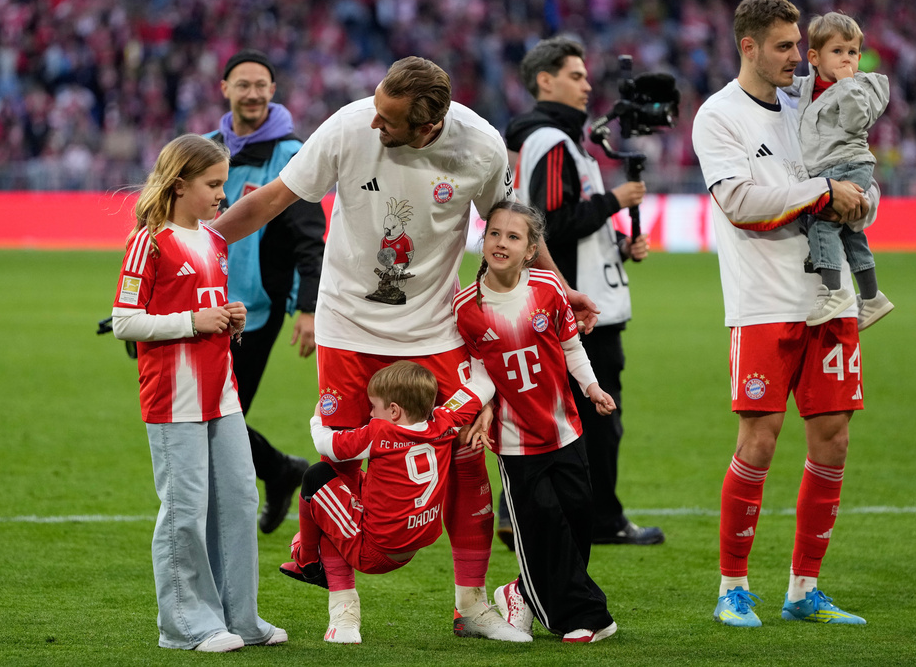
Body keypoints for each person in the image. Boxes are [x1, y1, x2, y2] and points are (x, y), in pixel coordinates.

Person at [211, 56, 597, 641]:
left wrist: (561, 288)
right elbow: (270, 200)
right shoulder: (349, 125)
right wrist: (198, 243)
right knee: (342, 461)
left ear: (428, 126)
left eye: (389, 120)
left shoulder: (482, 147)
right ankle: (343, 610)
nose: (375, 123)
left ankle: (470, 606)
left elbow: (513, 226)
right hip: (347, 328)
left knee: (466, 456)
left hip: (433, 331)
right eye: (376, 108)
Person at [691, 0, 879, 628]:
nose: (798, 58)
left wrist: (860, 198)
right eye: (784, 47)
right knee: (760, 441)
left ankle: (804, 588)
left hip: (830, 302)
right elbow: (741, 201)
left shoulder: (810, 105)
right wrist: (823, 191)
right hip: (765, 302)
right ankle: (732, 587)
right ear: (749, 47)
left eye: (799, 45)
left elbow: (852, 164)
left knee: (834, 439)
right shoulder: (719, 117)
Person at [111, 134, 286, 652]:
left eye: (223, 182)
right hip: (173, 396)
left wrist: (230, 319)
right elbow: (125, 321)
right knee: (184, 510)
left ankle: (241, 619)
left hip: (221, 392)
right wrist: (192, 320)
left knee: (238, 498)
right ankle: (185, 625)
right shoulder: (149, 240)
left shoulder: (212, 240)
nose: (221, 192)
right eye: (212, 183)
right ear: (180, 183)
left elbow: (207, 306)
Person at [503, 36, 665, 547]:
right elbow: (549, 221)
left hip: (569, 297)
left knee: (559, 416)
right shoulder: (552, 141)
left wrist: (616, 242)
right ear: (544, 80)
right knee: (597, 419)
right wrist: (616, 199)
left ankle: (527, 514)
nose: (587, 85)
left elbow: (566, 221)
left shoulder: (551, 140)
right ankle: (602, 519)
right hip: (580, 308)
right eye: (575, 75)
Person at [454, 200, 619, 644]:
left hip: (566, 430)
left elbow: (570, 347)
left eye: (513, 236)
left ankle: (521, 592)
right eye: (494, 234)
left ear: (531, 249)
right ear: (483, 240)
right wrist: (480, 408)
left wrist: (592, 388)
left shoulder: (548, 289)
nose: (501, 243)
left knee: (579, 520)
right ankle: (582, 618)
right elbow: (478, 371)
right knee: (543, 525)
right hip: (515, 442)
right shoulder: (466, 307)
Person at [278, 361, 528, 644]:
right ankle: (471, 602)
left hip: (372, 550)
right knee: (346, 488)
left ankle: (308, 562)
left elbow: (326, 444)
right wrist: (482, 367)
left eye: (373, 407)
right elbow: (480, 387)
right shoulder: (445, 419)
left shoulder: (380, 433)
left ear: (394, 410)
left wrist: (316, 419)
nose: (370, 413)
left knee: (319, 477)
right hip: (416, 540)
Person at [208, 49, 325, 534]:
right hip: (202, 303)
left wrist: (308, 308)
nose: (252, 93)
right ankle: (279, 471)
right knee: (213, 414)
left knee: (218, 413)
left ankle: (272, 476)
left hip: (257, 309)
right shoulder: (208, 148)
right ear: (225, 89)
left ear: (273, 91)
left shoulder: (291, 154)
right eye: (243, 84)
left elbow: (308, 236)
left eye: (261, 85)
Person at [797, 13, 894, 330]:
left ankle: (834, 290)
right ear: (814, 57)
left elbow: (856, 120)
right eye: (837, 51)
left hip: (851, 162)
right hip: (830, 166)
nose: (846, 59)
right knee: (851, 230)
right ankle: (872, 296)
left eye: (852, 52)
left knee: (822, 219)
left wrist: (847, 82)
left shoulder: (863, 85)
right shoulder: (807, 88)